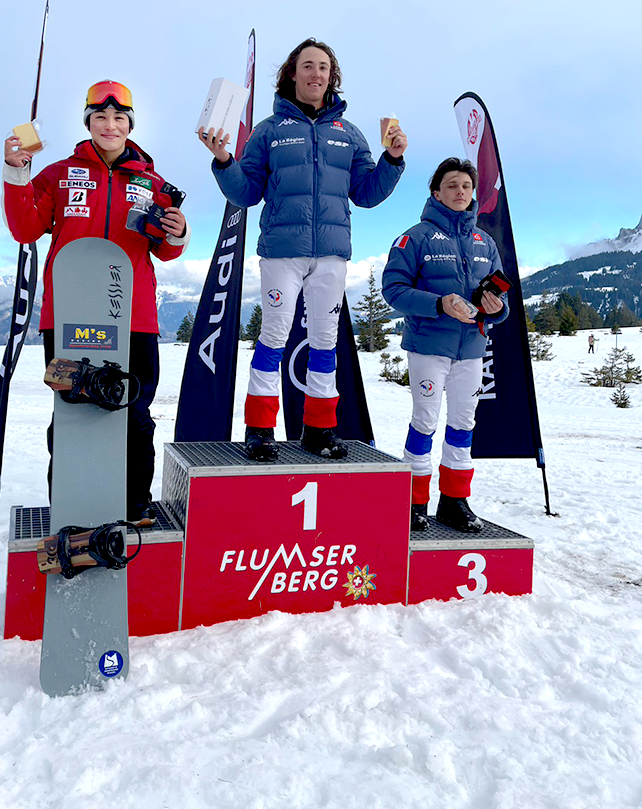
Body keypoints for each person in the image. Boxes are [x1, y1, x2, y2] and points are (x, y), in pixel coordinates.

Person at [199, 38, 407, 461]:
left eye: (324, 68)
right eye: (308, 66)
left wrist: (392, 161)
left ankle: (319, 429)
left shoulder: (349, 134)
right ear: (292, 73)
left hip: (331, 253)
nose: (316, 74)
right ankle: (259, 429)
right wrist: (224, 160)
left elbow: (366, 194)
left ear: (333, 77)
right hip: (282, 252)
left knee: (325, 341)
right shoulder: (270, 131)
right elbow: (246, 192)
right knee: (274, 336)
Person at [2, 81, 189, 520]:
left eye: (119, 118)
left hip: (135, 316)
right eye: (100, 117)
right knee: (73, 412)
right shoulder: (59, 173)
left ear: (129, 125)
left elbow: (166, 248)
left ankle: (134, 503)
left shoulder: (152, 182)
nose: (110, 125)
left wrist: (178, 231)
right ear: (88, 122)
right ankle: (72, 504)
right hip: (70, 314)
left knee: (134, 411)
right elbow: (25, 228)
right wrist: (17, 174)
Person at [382, 157, 508, 533]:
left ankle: (454, 501)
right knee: (424, 422)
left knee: (462, 425)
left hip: (470, 349)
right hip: (428, 347)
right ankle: (414, 502)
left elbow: (499, 305)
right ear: (436, 192)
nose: (460, 192)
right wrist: (439, 304)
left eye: (466, 187)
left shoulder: (484, 242)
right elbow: (394, 290)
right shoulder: (414, 237)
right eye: (452, 185)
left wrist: (494, 309)